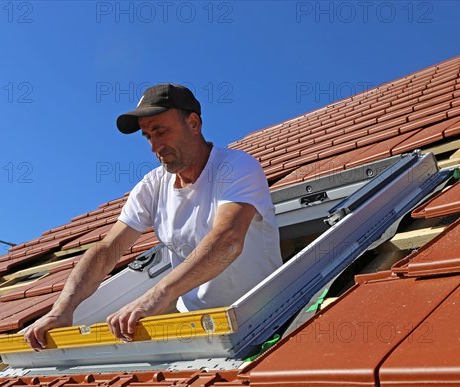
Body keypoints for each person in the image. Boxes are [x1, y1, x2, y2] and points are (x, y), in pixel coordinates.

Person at [24, 83, 282, 349]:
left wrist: (156, 296)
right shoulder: (153, 185)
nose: (154, 146)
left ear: (194, 124)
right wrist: (62, 310)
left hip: (266, 318)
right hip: (200, 329)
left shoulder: (236, 167)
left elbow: (227, 240)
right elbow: (108, 249)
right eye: (148, 136)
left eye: (160, 131)